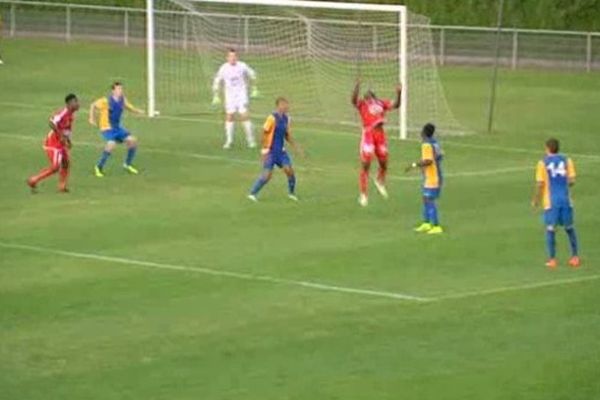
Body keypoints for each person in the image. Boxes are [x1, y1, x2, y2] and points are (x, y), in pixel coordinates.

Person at [531, 138, 580, 269]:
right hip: (566, 200)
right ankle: (575, 257)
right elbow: (572, 181)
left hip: (551, 202)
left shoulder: (542, 163)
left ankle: (552, 260)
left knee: (551, 229)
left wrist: (536, 199)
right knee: (569, 228)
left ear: (547, 148)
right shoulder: (567, 160)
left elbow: (540, 184)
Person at [352, 79, 401, 207]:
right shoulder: (363, 104)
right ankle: (363, 194)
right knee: (366, 164)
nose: (368, 92)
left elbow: (396, 105)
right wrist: (357, 86)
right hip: (369, 134)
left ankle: (380, 180)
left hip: (380, 135)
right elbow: (353, 100)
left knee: (384, 163)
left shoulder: (381, 103)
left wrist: (399, 93)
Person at [248, 97, 303, 202]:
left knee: (289, 171)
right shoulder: (271, 118)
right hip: (271, 152)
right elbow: (264, 133)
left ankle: (291, 193)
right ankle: (252, 193)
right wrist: (264, 150)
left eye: (287, 104)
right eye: (284, 104)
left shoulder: (287, 119)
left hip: (281, 152)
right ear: (278, 106)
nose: (286, 106)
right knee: (267, 175)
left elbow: (287, 135)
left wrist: (296, 146)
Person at [89, 82, 144, 177]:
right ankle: (99, 167)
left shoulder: (122, 99)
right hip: (107, 127)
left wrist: (138, 111)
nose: (120, 91)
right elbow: (93, 105)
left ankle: (127, 164)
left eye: (121, 89)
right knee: (111, 144)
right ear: (113, 91)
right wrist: (91, 118)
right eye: (118, 89)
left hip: (117, 127)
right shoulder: (105, 101)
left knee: (133, 141)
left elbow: (128, 107)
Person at [27, 94, 80, 193]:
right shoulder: (63, 113)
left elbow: (67, 130)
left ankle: (62, 186)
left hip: (61, 143)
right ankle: (33, 180)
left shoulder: (71, 115)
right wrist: (60, 136)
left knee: (66, 163)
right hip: (53, 144)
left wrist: (68, 141)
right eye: (75, 102)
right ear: (69, 104)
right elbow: (51, 122)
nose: (78, 104)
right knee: (55, 167)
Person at [212, 48, 259, 149]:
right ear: (227, 58)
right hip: (229, 96)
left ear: (237, 57)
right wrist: (216, 95)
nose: (233, 58)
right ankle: (229, 141)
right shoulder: (223, 68)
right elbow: (217, 80)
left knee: (244, 115)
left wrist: (255, 88)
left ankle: (251, 140)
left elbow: (252, 74)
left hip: (241, 94)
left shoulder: (242, 66)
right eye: (230, 56)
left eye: (234, 56)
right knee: (229, 116)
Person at [405, 123, 444, 234]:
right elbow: (440, 156)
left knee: (429, 200)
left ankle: (436, 226)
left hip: (432, 176)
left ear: (424, 132)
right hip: (434, 175)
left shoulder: (426, 144)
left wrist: (414, 165)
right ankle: (426, 223)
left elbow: (428, 161)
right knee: (425, 199)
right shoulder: (435, 143)